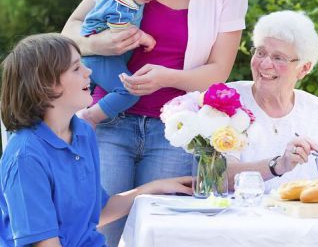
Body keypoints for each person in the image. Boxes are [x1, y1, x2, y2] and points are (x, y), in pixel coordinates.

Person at [61, 0, 247, 246]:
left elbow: (219, 69)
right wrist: (98, 43)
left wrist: (167, 78)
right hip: (106, 119)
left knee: (163, 234)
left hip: (174, 130)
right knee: (93, 229)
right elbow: (69, 32)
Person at [0, 34, 192, 247]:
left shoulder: (82, 132)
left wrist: (154, 187)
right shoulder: (25, 157)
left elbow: (98, 211)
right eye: (76, 68)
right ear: (45, 85)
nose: (88, 71)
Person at [226, 11, 318, 192]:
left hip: (304, 218)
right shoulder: (228, 100)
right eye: (260, 52)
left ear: (303, 69)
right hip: (242, 216)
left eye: (278, 58)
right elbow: (218, 176)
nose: (265, 64)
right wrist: (278, 165)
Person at [79, 0, 167, 124]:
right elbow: (121, 34)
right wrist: (145, 38)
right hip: (102, 57)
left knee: (83, 93)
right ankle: (90, 117)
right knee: (128, 92)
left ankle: (75, 118)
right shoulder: (122, 4)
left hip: (93, 57)